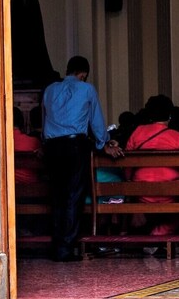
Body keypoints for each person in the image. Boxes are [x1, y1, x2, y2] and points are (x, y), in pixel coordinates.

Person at [42, 56, 123, 262]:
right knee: (73, 196)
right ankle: (65, 248)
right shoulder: (87, 90)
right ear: (83, 74)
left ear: (68, 70)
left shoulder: (50, 89)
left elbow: (45, 120)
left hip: (51, 147)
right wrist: (103, 143)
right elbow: (96, 121)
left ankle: (56, 245)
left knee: (56, 196)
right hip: (75, 146)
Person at [125, 94, 179, 235]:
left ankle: (150, 234)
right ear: (170, 116)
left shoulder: (137, 132)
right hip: (170, 192)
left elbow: (127, 168)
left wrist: (130, 182)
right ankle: (160, 233)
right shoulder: (177, 136)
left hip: (142, 192)